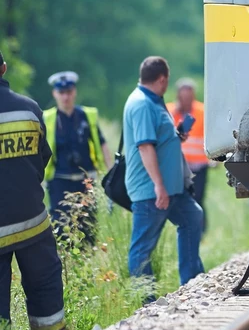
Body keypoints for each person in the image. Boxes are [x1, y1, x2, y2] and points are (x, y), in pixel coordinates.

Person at [0, 49, 70, 330]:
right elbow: (42, 159)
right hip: (33, 224)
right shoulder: (29, 110)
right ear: (3, 69)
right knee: (45, 293)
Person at [123, 57, 204, 288]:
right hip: (152, 190)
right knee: (142, 248)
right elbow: (145, 147)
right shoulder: (141, 104)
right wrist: (158, 185)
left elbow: (156, 138)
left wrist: (175, 136)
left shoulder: (155, 101)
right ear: (162, 79)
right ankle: (144, 299)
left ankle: (192, 281)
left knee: (192, 217)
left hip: (172, 188)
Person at [42, 71, 113, 245]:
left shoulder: (86, 116)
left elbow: (102, 144)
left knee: (88, 227)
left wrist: (111, 174)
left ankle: (87, 263)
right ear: (55, 94)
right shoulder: (48, 118)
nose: (66, 97)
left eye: (69, 92)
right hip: (60, 181)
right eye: (61, 92)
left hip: (86, 180)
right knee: (61, 226)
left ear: (74, 92)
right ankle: (66, 266)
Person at [170, 78, 212, 233]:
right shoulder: (169, 112)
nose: (186, 101)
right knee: (179, 200)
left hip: (199, 167)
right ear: (178, 96)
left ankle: (199, 231)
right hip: (177, 166)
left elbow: (211, 138)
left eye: (189, 97)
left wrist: (214, 159)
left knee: (198, 199)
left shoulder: (202, 112)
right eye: (183, 97)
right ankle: (185, 228)